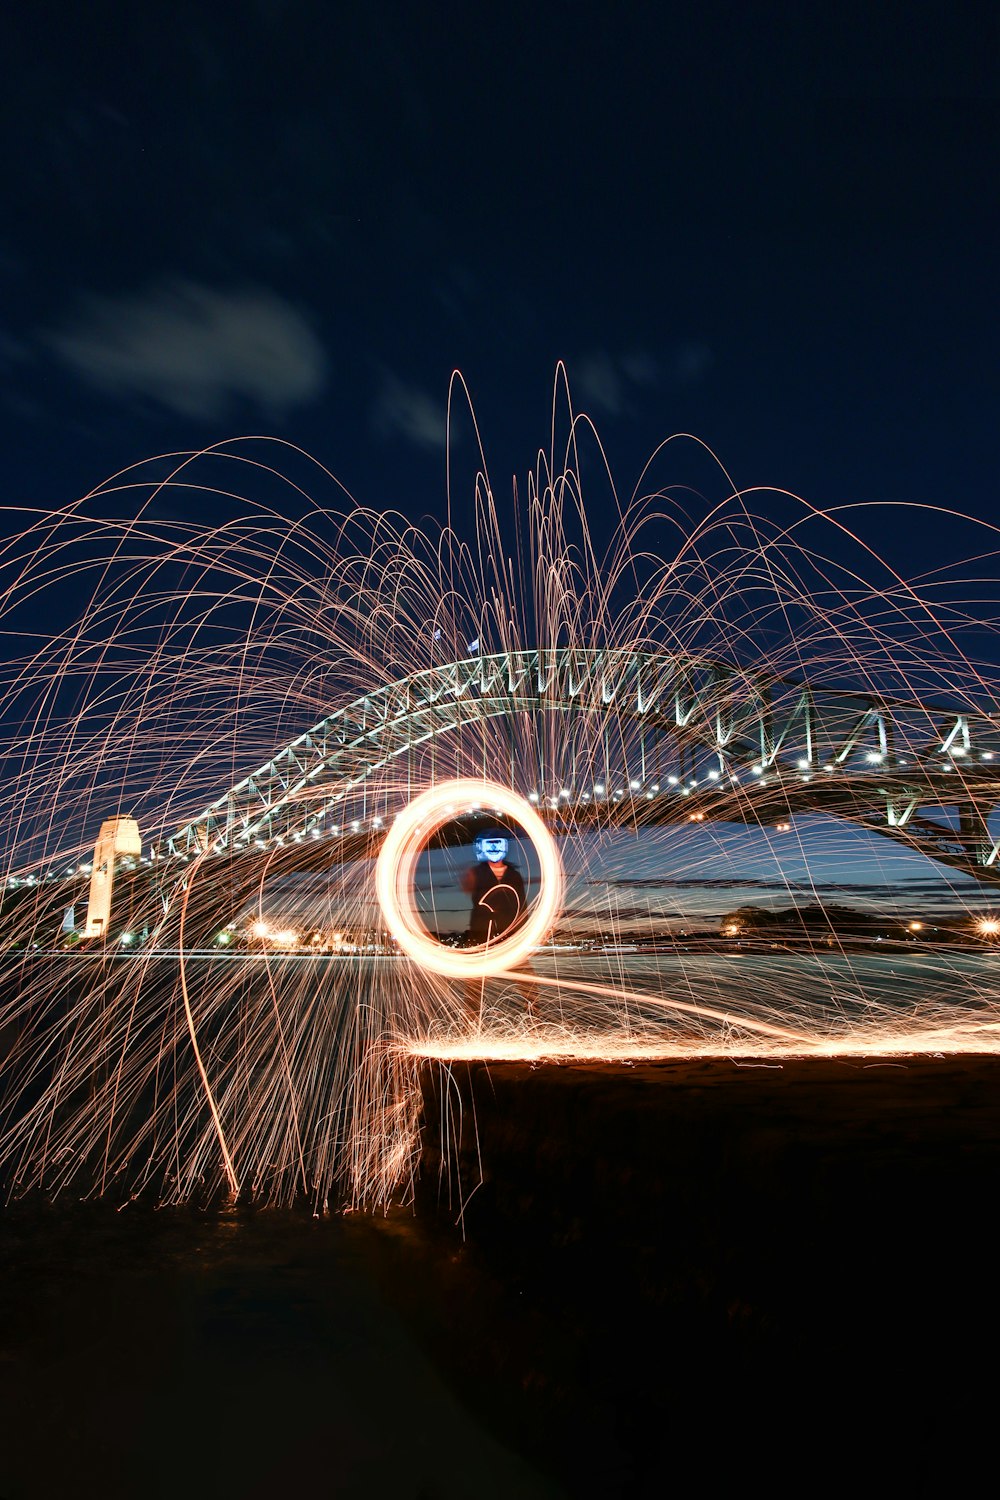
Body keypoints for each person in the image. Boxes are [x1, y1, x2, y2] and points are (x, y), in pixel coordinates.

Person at [461, 830, 536, 1021]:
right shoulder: (476, 873)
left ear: (504, 847)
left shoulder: (514, 875)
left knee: (528, 983)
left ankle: (534, 1020)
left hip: (509, 936)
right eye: (490, 845)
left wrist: (525, 934)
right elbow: (469, 890)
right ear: (483, 848)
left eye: (498, 844)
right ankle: (470, 1023)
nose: (494, 848)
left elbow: (522, 907)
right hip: (481, 935)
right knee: (475, 985)